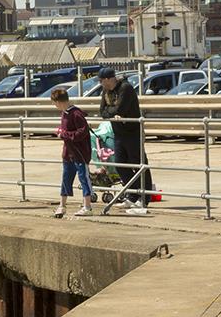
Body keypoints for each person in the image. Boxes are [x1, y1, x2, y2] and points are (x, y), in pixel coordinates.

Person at [99, 68, 153, 210]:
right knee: (120, 165)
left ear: (108, 79)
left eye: (101, 80)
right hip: (118, 133)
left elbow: (120, 110)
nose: (100, 84)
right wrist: (112, 112)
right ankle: (132, 194)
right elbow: (102, 112)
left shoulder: (125, 88)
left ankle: (144, 197)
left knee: (138, 164)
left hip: (132, 132)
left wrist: (112, 111)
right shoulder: (106, 92)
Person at [51, 89, 93, 217]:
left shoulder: (76, 114)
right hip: (68, 153)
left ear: (58, 102)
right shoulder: (64, 113)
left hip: (79, 153)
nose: (55, 106)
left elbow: (82, 132)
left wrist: (64, 134)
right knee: (66, 179)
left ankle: (87, 206)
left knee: (83, 178)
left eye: (55, 103)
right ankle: (62, 205)